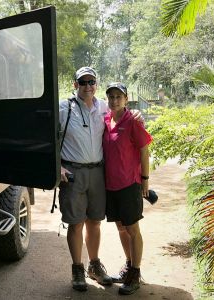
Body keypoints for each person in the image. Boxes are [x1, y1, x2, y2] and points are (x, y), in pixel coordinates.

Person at [58, 66, 113, 291]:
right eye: (83, 82)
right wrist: (57, 167)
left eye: (91, 82)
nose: (88, 86)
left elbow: (121, 121)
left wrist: (136, 114)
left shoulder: (104, 106)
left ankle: (94, 265)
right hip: (72, 173)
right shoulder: (64, 108)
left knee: (95, 221)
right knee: (75, 222)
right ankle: (77, 268)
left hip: (98, 172)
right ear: (75, 85)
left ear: (96, 84)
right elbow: (48, 138)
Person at [102, 82, 152, 295]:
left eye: (118, 97)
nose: (114, 100)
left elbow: (144, 150)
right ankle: (129, 265)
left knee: (132, 229)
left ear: (126, 98)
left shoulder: (133, 121)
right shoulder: (106, 120)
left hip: (130, 184)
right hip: (111, 185)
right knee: (121, 227)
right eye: (111, 96)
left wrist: (145, 180)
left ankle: (135, 273)